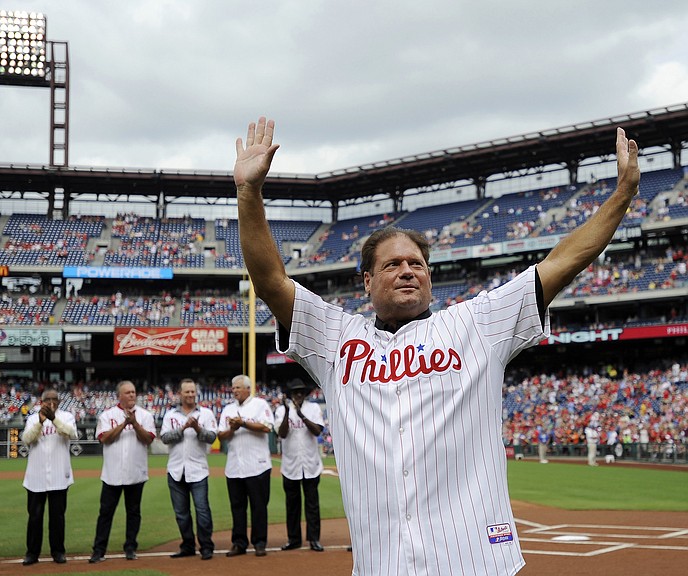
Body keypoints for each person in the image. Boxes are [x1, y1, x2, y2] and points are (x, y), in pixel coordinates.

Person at [233, 117, 640, 575]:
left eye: (417, 263)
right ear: (367, 282)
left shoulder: (477, 323)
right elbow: (270, 280)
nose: (408, 270)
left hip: (475, 560)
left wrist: (622, 193)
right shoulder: (336, 339)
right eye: (392, 265)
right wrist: (249, 194)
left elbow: (562, 260)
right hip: (383, 564)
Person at [88, 380, 156, 564]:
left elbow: (149, 439)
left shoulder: (145, 415)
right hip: (112, 474)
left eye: (134, 392)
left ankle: (131, 547)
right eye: (128, 392)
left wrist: (134, 424)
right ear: (119, 396)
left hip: (136, 473)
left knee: (133, 513)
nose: (132, 395)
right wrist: (123, 424)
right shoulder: (107, 415)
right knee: (106, 513)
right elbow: (104, 438)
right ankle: (98, 550)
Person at [217, 374, 274, 557]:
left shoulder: (260, 405)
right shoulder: (228, 409)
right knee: (237, 507)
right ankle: (239, 543)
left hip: (258, 464)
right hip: (234, 466)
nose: (234, 391)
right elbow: (221, 435)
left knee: (259, 506)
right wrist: (232, 429)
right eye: (233, 388)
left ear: (248, 389)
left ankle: (259, 542)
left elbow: (267, 427)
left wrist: (243, 423)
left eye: (238, 388)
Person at [160, 378, 218, 561]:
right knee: (181, 514)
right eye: (187, 392)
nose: (191, 395)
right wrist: (184, 428)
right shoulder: (170, 415)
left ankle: (206, 546)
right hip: (176, 470)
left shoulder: (206, 413)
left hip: (198, 470)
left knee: (202, 510)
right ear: (180, 394)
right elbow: (165, 438)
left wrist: (197, 428)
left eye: (193, 391)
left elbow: (211, 437)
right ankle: (187, 545)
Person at [21, 389, 78, 566]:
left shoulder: (67, 416)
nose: (51, 402)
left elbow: (72, 434)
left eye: (55, 399)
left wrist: (53, 419)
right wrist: (40, 421)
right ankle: (32, 552)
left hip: (59, 474)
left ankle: (58, 551)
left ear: (59, 401)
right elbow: (27, 439)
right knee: (35, 517)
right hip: (36, 475)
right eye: (48, 399)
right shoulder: (32, 418)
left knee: (57, 517)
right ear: (42, 401)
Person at [275, 377, 325, 552]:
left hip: (311, 464)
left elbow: (317, 431)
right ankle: (293, 539)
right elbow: (282, 434)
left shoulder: (313, 408)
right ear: (290, 394)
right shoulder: (282, 410)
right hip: (290, 465)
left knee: (312, 504)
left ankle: (314, 539)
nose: (298, 395)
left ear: (305, 394)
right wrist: (289, 412)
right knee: (292, 505)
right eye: (295, 392)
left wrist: (301, 415)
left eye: (301, 392)